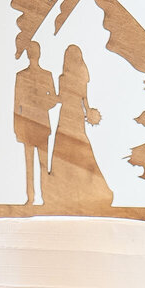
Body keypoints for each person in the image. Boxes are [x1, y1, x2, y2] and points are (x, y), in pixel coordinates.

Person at [43, 45, 113, 212]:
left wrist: (51, 96)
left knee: (69, 148)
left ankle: (76, 190)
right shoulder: (78, 76)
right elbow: (84, 100)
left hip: (69, 114)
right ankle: (72, 191)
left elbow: (66, 98)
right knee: (73, 148)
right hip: (73, 114)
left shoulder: (64, 77)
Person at [13, 41, 59, 206]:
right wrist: (17, 126)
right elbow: (17, 104)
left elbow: (53, 99)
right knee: (32, 164)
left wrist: (41, 102)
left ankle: (43, 197)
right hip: (28, 123)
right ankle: (31, 197)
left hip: (40, 123)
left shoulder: (46, 75)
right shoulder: (22, 76)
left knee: (41, 163)